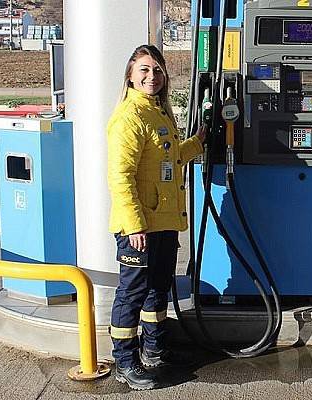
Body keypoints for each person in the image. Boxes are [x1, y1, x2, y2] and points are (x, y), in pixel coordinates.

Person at [107, 44, 205, 390]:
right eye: (145, 70)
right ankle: (125, 361)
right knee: (132, 294)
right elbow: (121, 176)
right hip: (139, 226)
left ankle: (154, 350)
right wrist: (134, 225)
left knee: (157, 291)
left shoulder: (158, 113)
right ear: (131, 76)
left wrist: (198, 142)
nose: (153, 77)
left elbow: (170, 158)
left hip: (163, 222)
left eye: (157, 70)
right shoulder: (129, 117)